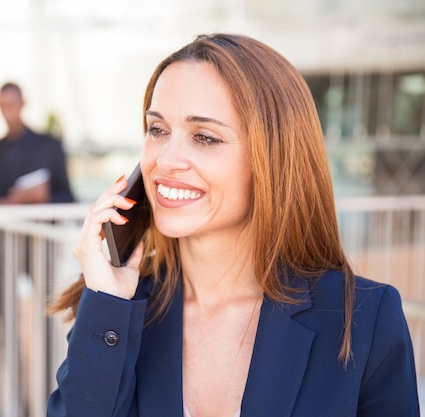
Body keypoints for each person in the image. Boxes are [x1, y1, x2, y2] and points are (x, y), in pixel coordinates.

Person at [46, 33, 420, 417]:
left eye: (205, 137)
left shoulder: (363, 318)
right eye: (158, 130)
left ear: (272, 158)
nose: (166, 160)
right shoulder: (116, 310)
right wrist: (107, 302)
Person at [0, 82, 74, 204]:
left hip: (39, 222)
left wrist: (42, 197)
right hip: (0, 222)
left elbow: (67, 197)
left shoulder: (49, 147)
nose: (7, 113)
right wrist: (4, 202)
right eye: (3, 106)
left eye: (11, 105)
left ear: (22, 103)